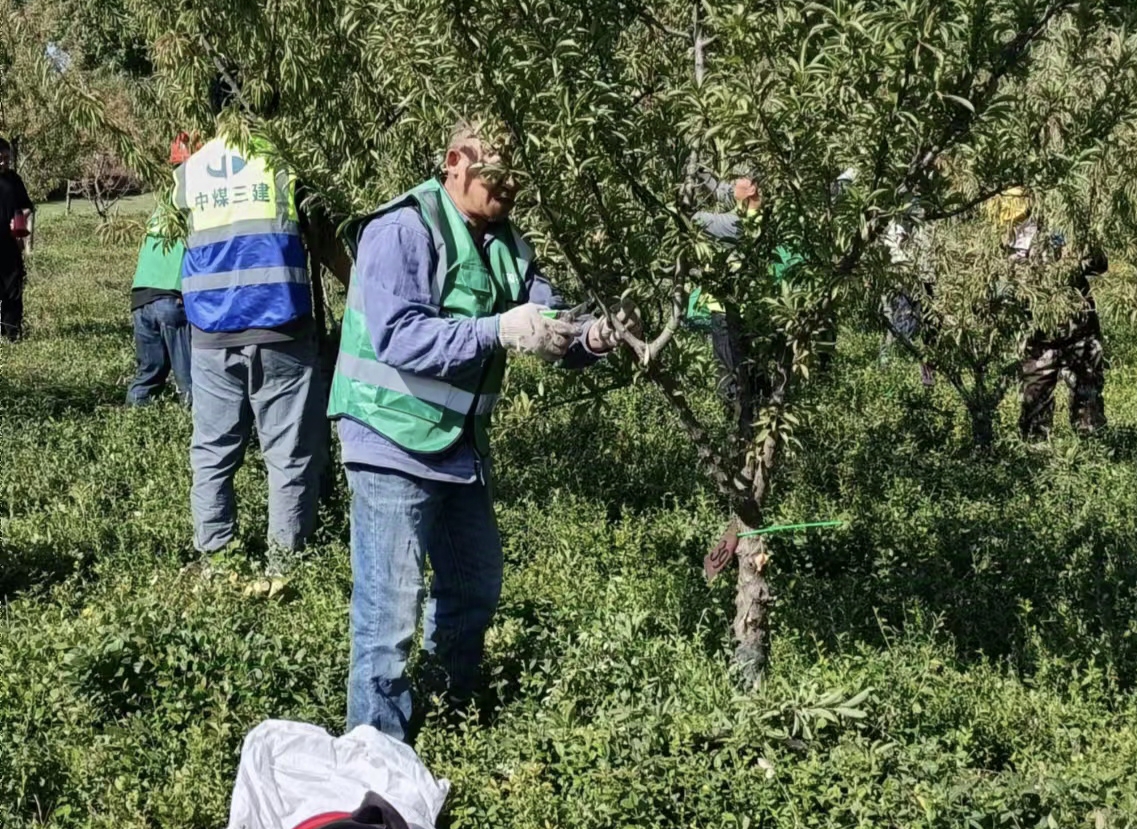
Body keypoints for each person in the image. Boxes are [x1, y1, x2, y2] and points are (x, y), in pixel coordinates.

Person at [328, 120, 638, 740]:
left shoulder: (508, 245)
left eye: (519, 173)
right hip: (391, 438)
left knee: (473, 586)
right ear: (455, 163)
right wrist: (497, 330)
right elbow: (399, 337)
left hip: (457, 448)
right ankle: (378, 761)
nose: (511, 184)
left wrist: (592, 338)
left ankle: (449, 713)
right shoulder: (403, 229)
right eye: (498, 170)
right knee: (388, 618)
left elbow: (546, 324)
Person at [174, 76, 326, 581]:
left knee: (213, 451)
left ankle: (216, 560)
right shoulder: (285, 162)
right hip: (281, 326)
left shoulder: (189, 172)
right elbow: (323, 239)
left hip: (211, 332)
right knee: (288, 454)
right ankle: (283, 567)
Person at [996, 187, 1107, 440]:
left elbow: (1099, 263)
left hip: (1078, 330)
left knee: (1087, 400)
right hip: (1037, 336)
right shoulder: (1003, 239)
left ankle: (1091, 454)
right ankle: (1036, 457)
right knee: (1035, 404)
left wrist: (1073, 257)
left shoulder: (1060, 228)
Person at [689, 166, 799, 417]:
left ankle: (738, 422)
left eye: (739, 179)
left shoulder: (739, 224)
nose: (733, 182)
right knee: (753, 364)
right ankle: (763, 412)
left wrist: (680, 199)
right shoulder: (756, 207)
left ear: (751, 189)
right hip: (753, 305)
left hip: (726, 307)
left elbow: (696, 218)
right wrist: (701, 172)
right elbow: (722, 191)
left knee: (729, 369)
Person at [126, 206, 192, 406]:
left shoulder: (157, 214)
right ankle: (193, 427)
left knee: (149, 372)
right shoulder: (189, 213)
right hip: (172, 296)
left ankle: (133, 421)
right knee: (188, 376)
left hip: (140, 299)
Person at [0, 138, 34, 342]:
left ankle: (11, 333)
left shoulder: (14, 180)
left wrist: (20, 220)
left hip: (10, 244)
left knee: (13, 291)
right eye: (0, 158)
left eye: (6, 158)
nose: (3, 162)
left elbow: (27, 206)